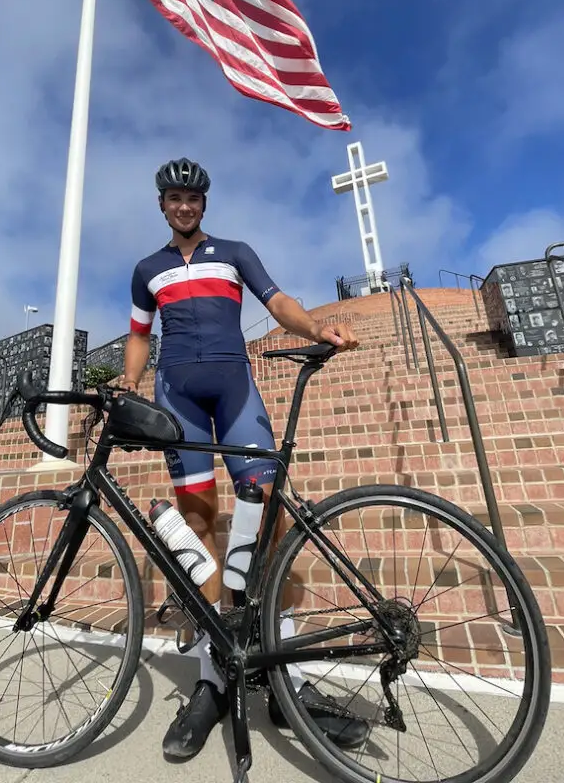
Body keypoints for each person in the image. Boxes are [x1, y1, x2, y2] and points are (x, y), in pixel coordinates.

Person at [123, 158, 368, 760]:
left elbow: (277, 299)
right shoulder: (147, 269)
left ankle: (289, 682)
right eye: (174, 198)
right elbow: (136, 333)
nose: (184, 207)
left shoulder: (234, 252)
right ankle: (212, 678)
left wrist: (316, 328)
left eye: (193, 199)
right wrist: (129, 385)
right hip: (176, 394)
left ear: (204, 205)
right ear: (162, 205)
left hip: (235, 390)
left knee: (271, 517)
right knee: (199, 525)